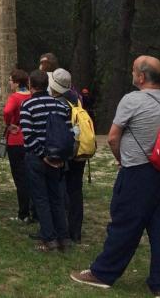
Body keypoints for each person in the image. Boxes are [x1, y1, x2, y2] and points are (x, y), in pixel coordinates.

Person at [71, 56, 160, 295]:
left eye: (133, 70)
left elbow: (112, 136)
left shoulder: (132, 100)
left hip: (137, 172)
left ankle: (103, 273)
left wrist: (121, 159)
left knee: (124, 224)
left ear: (141, 76)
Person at [20, 69, 70, 252]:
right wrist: (60, 157)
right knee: (56, 197)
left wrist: (43, 156)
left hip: (37, 158)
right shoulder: (60, 106)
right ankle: (63, 236)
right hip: (57, 158)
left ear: (31, 85)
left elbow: (28, 134)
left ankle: (49, 238)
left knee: (41, 198)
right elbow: (68, 133)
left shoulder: (28, 106)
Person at [51, 67, 86, 243]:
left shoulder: (59, 103)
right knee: (76, 191)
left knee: (63, 190)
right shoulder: (77, 98)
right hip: (80, 149)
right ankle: (76, 231)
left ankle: (64, 230)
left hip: (67, 150)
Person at [1, 68, 31, 222]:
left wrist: (8, 124)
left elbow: (7, 111)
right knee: (30, 175)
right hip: (29, 138)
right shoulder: (31, 95)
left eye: (11, 80)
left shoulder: (15, 97)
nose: (9, 83)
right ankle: (33, 210)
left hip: (16, 138)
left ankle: (23, 213)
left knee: (19, 178)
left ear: (17, 83)